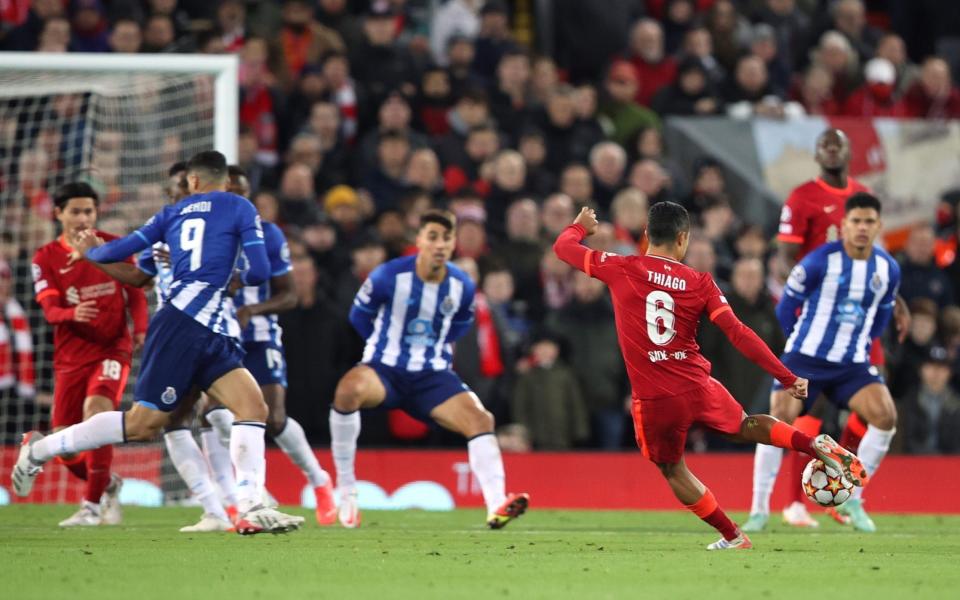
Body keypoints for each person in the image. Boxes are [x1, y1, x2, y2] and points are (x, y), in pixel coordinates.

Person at [12, 151, 304, 535]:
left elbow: (127, 260)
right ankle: (38, 450)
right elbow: (260, 272)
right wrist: (234, 270)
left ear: (193, 182)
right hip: (186, 325)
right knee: (142, 424)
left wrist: (91, 253)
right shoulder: (240, 207)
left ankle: (248, 504)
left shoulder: (171, 214)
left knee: (253, 406)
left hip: (205, 327)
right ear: (225, 181)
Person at [553, 202, 866, 550]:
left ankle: (733, 534)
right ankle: (811, 444)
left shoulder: (621, 266)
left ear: (646, 236)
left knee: (672, 468)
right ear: (683, 239)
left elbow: (563, 248)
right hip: (698, 384)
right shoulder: (700, 282)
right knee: (746, 426)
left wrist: (580, 226)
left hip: (656, 397)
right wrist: (787, 376)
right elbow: (739, 333)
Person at [330, 209, 529, 529]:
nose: (439, 244)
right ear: (420, 240)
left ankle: (496, 504)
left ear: (453, 245)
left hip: (431, 377)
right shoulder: (388, 275)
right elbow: (358, 316)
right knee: (347, 391)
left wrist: (430, 351)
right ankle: (346, 491)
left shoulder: (461, 286)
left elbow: (462, 324)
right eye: (433, 236)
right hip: (385, 369)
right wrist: (384, 345)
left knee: (481, 419)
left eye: (446, 238)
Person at [758, 127, 908, 529]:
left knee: (876, 399)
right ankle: (794, 501)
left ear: (847, 151)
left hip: (857, 318)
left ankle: (844, 492)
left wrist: (895, 303)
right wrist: (812, 308)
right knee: (808, 408)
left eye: (836, 144)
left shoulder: (862, 197)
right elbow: (788, 257)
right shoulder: (802, 197)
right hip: (815, 319)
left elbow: (876, 261)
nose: (830, 150)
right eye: (822, 144)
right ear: (816, 153)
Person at [202, 166, 338, 528]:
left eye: (242, 192)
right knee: (213, 413)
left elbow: (290, 295)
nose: (237, 199)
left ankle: (320, 481)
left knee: (274, 419)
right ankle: (243, 496)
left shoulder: (268, 234)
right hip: (219, 335)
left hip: (260, 335)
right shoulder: (205, 234)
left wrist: (252, 309)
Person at [29, 181, 149, 527]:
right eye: (76, 211)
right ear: (59, 214)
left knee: (98, 411)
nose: (83, 218)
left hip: (112, 349)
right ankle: (107, 483)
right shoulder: (45, 258)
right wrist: (71, 314)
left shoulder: (113, 246)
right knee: (64, 445)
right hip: (70, 358)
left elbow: (136, 293)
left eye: (89, 211)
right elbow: (50, 311)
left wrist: (139, 329)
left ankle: (91, 506)